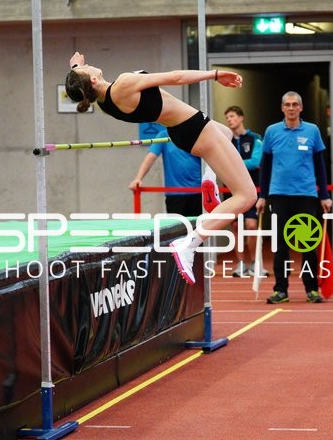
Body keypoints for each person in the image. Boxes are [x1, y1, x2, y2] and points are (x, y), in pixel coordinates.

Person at [65, 52, 257, 285]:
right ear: (93, 80)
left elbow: (84, 85)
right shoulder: (123, 84)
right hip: (196, 127)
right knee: (247, 196)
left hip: (180, 133)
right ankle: (189, 244)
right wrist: (215, 75)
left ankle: (209, 178)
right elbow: (176, 77)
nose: (88, 65)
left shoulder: (106, 103)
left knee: (226, 132)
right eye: (84, 69)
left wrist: (76, 68)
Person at [256, 91, 332, 304]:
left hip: (306, 195)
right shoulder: (272, 131)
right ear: (282, 108)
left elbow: (320, 165)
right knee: (280, 245)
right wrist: (262, 196)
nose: (291, 108)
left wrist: (324, 195)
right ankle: (281, 290)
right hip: (278, 195)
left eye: (295, 104)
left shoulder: (312, 130)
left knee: (307, 245)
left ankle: (311, 289)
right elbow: (266, 167)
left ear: (301, 107)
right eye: (287, 105)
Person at [223, 105, 268, 277]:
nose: (230, 120)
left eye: (232, 116)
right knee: (235, 226)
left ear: (241, 118)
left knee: (251, 225)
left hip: (251, 189)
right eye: (227, 118)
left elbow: (255, 162)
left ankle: (255, 262)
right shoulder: (225, 141)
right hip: (231, 189)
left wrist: (232, 164)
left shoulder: (255, 139)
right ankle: (241, 263)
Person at [128, 127, 202, 217]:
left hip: (199, 191)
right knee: (176, 225)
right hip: (175, 194)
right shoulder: (163, 135)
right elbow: (151, 157)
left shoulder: (194, 133)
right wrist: (138, 178)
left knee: (199, 224)